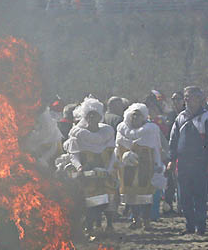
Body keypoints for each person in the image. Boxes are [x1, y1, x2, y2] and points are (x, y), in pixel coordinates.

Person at [63, 97, 118, 237]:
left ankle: (109, 225)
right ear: (85, 116)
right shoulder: (77, 133)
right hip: (87, 172)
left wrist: (110, 169)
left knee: (109, 197)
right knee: (90, 200)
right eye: (89, 114)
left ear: (100, 116)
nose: (92, 117)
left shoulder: (107, 132)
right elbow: (73, 154)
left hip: (105, 171)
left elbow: (112, 153)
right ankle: (90, 227)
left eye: (95, 114)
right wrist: (80, 167)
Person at [168, 86, 208, 235]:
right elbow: (173, 140)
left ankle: (201, 226)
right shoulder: (180, 118)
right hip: (183, 163)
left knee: (200, 196)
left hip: (200, 163)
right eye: (186, 97)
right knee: (184, 197)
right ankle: (189, 225)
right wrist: (172, 159)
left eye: (190, 97)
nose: (187, 100)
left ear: (199, 99)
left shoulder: (207, 117)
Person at [117, 103, 165, 230]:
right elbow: (118, 149)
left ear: (143, 117)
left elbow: (156, 148)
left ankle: (146, 221)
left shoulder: (151, 130)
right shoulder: (123, 130)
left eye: (138, 115)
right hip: (128, 167)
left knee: (146, 195)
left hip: (146, 166)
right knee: (131, 195)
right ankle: (135, 219)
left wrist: (159, 165)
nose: (135, 118)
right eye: (133, 115)